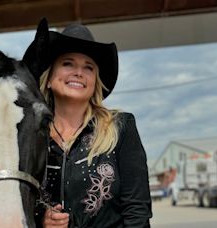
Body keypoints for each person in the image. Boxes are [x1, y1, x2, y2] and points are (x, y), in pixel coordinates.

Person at [23, 21, 152, 228]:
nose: (79, 72)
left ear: (95, 82)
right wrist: (41, 220)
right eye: (68, 63)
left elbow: (137, 210)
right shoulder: (30, 135)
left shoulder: (121, 127)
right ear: (48, 78)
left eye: (88, 67)